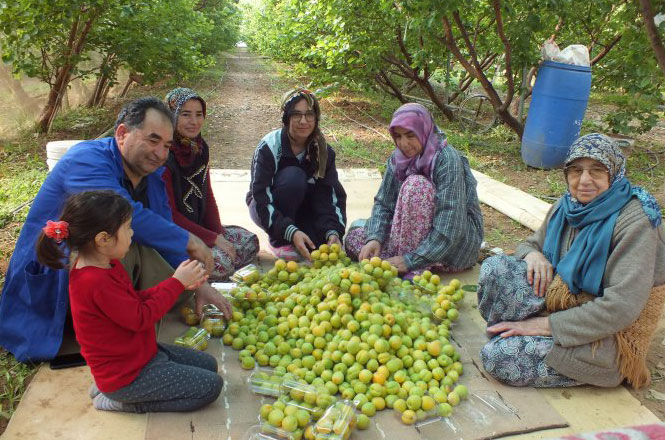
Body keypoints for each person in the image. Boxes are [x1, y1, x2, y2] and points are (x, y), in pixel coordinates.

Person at [0, 97, 231, 363]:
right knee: (121, 241)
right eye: (152, 140)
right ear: (122, 133)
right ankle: (112, 328)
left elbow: (164, 229)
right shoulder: (86, 159)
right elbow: (129, 213)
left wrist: (197, 283)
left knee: (160, 263)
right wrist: (191, 240)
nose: (160, 154)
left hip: (96, 275)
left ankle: (125, 315)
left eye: (167, 145)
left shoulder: (152, 176)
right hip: (58, 273)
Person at [477, 133, 665, 388]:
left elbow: (621, 308)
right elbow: (530, 244)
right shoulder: (567, 206)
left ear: (614, 172)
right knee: (495, 268)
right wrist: (535, 255)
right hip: (565, 306)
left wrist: (545, 325)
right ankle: (510, 332)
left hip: (607, 337)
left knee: (498, 358)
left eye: (597, 170)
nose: (584, 180)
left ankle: (591, 366)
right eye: (576, 170)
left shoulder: (635, 223)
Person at [36, 190, 222, 412]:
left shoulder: (107, 264)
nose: (132, 234)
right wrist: (176, 284)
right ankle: (122, 400)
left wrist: (175, 283)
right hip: (127, 374)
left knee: (209, 364)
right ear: (103, 239)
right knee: (212, 387)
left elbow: (133, 301)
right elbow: (140, 318)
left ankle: (115, 388)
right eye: (128, 228)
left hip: (140, 352)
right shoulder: (93, 282)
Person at [344, 103, 483, 276]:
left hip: (452, 245)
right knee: (355, 239)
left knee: (416, 187)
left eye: (411, 135)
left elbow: (451, 223)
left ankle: (414, 265)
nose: (404, 143)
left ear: (424, 130)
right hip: (408, 235)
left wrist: (411, 260)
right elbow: (384, 203)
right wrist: (375, 238)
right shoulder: (398, 158)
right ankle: (400, 258)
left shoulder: (447, 160)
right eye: (398, 136)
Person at [162, 88, 259, 280]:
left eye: (199, 114)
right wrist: (212, 239)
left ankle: (216, 261)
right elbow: (169, 215)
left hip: (199, 226)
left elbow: (207, 194)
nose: (194, 121)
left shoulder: (199, 147)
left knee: (249, 242)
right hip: (178, 235)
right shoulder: (164, 155)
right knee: (219, 262)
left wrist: (218, 233)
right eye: (185, 114)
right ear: (171, 116)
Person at [247, 88, 347, 261]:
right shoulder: (269, 148)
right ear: (286, 118)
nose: (303, 121)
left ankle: (298, 231)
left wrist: (333, 231)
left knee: (318, 244)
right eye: (296, 115)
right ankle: (278, 240)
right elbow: (262, 197)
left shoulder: (323, 152)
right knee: (294, 178)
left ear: (316, 118)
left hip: (303, 207)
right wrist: (289, 231)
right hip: (267, 208)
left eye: (309, 114)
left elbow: (329, 195)